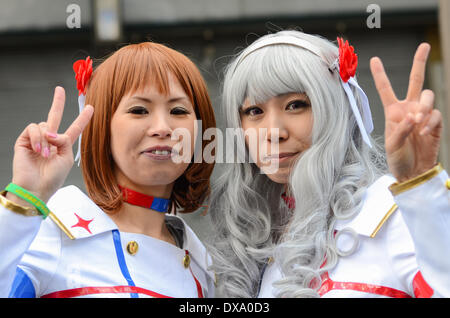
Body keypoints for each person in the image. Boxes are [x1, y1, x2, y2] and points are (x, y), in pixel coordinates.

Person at [207, 30, 450, 298]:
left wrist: (420, 186)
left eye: (295, 105)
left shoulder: (391, 212)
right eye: (254, 112)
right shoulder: (253, 237)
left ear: (336, 110)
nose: (273, 131)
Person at [0, 41, 216, 298]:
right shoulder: (52, 232)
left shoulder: (202, 267)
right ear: (102, 127)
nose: (162, 127)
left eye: (178, 110)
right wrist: (23, 198)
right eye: (139, 110)